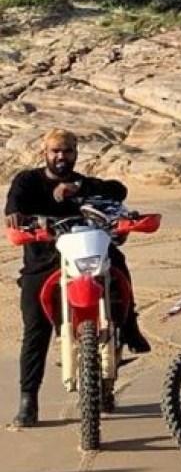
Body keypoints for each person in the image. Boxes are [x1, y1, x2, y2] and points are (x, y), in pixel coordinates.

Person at [5, 129, 151, 428]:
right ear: (44, 152)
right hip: (44, 262)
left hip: (85, 254)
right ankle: (27, 400)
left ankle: (131, 327)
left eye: (68, 151)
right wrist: (19, 216)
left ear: (76, 153)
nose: (62, 157)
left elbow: (117, 189)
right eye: (56, 151)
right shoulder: (28, 181)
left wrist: (79, 191)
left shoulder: (83, 183)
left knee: (118, 266)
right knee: (35, 328)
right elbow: (13, 208)